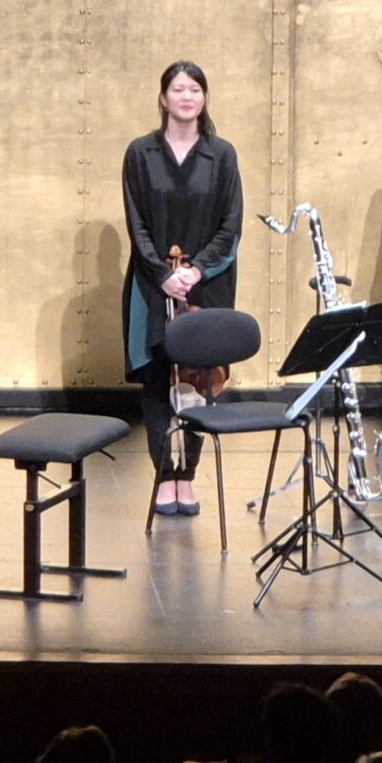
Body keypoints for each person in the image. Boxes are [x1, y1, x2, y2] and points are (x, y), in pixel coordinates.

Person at [120, 61, 243, 517]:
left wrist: (197, 271)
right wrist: (162, 272)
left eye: (194, 89)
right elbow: (136, 224)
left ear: (204, 98)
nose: (186, 97)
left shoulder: (222, 154)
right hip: (152, 282)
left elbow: (231, 224)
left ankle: (186, 478)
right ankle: (161, 478)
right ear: (163, 98)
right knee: (157, 381)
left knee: (196, 382)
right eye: (178, 89)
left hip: (205, 285)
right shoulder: (139, 153)